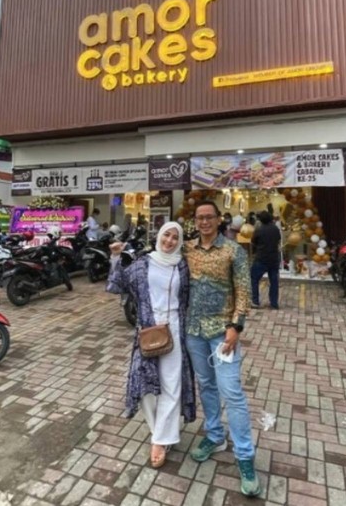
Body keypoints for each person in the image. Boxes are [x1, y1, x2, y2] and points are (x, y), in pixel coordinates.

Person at [184, 200, 261, 497]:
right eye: (199, 218)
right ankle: (215, 435)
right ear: (195, 221)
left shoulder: (233, 250)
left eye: (209, 217)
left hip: (222, 334)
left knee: (232, 391)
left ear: (219, 220)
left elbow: (244, 289)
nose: (204, 222)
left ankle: (245, 457)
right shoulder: (187, 249)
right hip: (193, 332)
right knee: (206, 385)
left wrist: (236, 326)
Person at [106, 222, 196, 469]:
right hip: (147, 330)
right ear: (159, 236)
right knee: (143, 385)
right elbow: (117, 284)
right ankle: (160, 429)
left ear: (179, 242)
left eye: (175, 237)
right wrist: (115, 257)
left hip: (175, 331)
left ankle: (160, 440)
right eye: (167, 235)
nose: (169, 241)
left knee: (171, 385)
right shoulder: (144, 262)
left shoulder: (182, 266)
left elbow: (190, 297)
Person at [250, 210, 282, 309]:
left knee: (254, 279)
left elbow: (253, 241)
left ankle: (255, 301)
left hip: (261, 258)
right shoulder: (275, 229)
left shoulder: (259, 230)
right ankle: (274, 303)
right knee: (274, 281)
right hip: (273, 259)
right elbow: (278, 239)